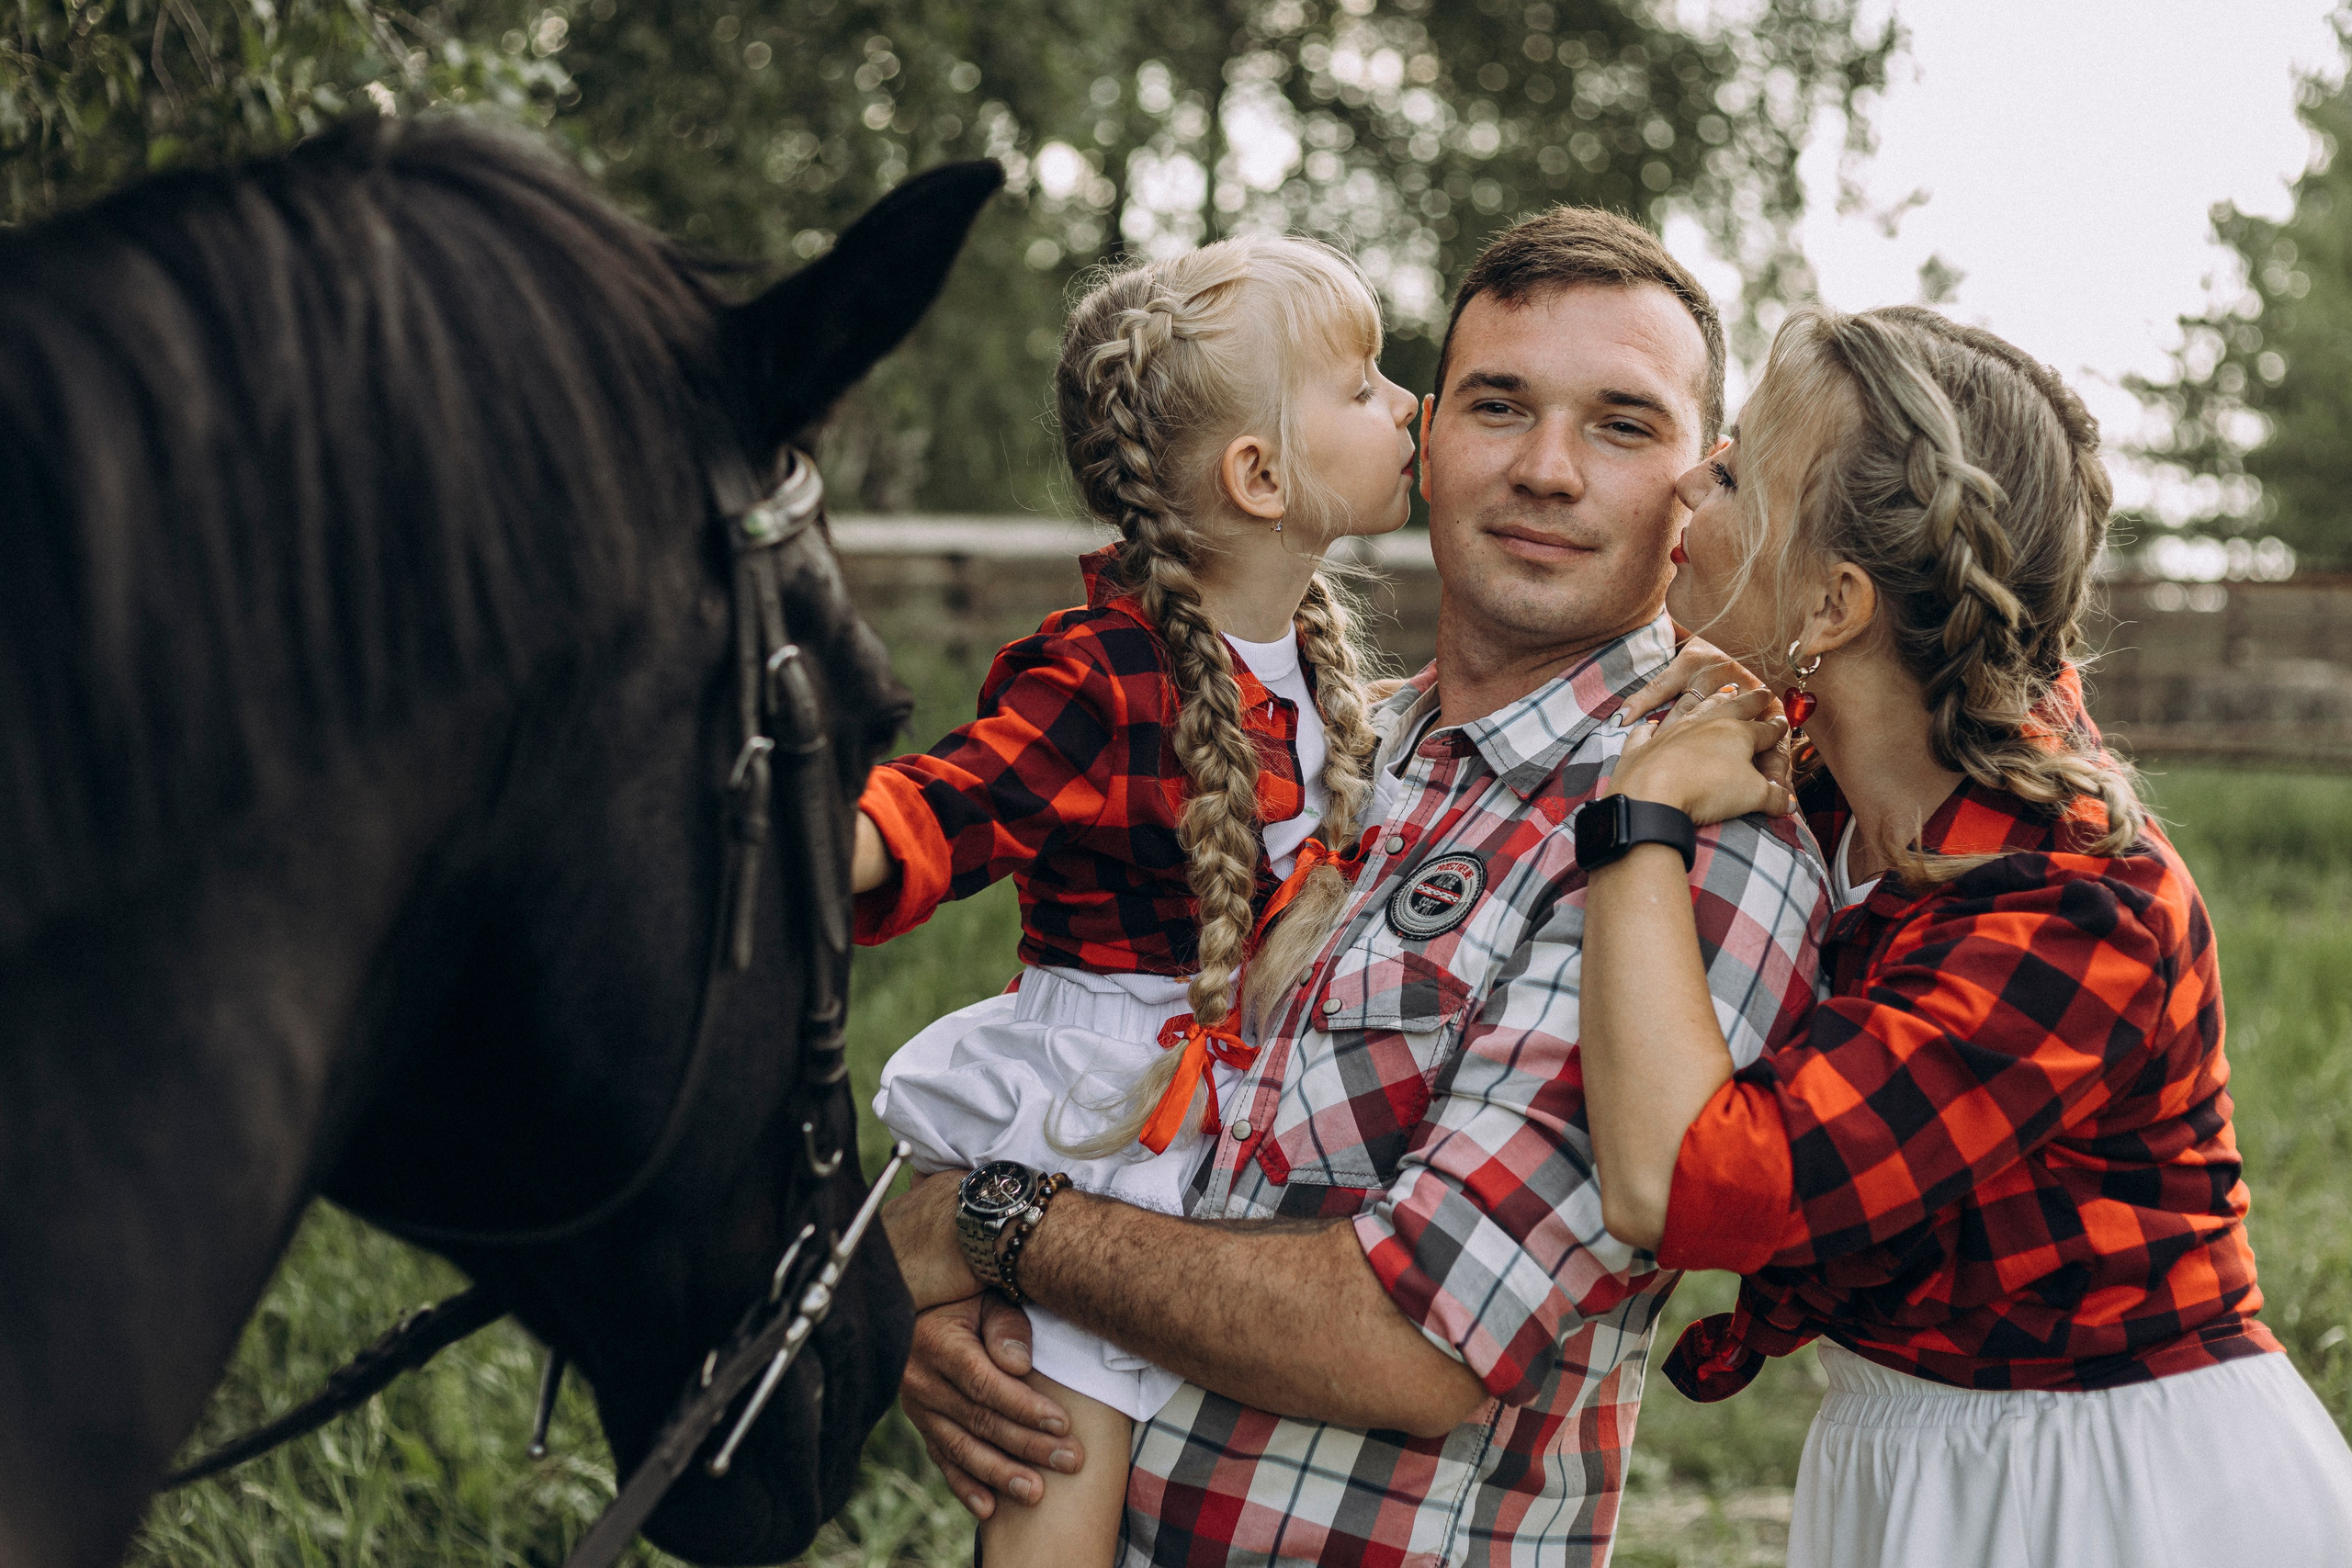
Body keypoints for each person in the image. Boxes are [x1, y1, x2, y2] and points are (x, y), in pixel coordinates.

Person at [879, 207, 1831, 1565]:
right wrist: (954, 1319)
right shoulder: (1302, 758)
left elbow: (1423, 1333)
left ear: (1699, 483)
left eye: (1623, 426)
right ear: (1424, 439)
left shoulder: (1690, 840)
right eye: (1499, 405)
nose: (1548, 470)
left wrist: (991, 1232)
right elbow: (1085, 1085)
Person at [1577, 303, 2352, 1567]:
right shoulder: (1843, 783)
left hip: (2111, 1491)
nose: (1685, 481)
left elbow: (1677, 1186)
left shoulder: (2075, 903)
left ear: (1833, 603)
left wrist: (1636, 824)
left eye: (1730, 472)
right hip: (1915, 1456)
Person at [848, 233, 1417, 1562]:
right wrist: (801, 848)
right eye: (1366, 384)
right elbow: (957, 801)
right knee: (1063, 1503)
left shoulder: (1330, 676)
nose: (1407, 406)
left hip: (1235, 1119)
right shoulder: (1105, 675)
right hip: (1100, 1127)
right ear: (1260, 474)